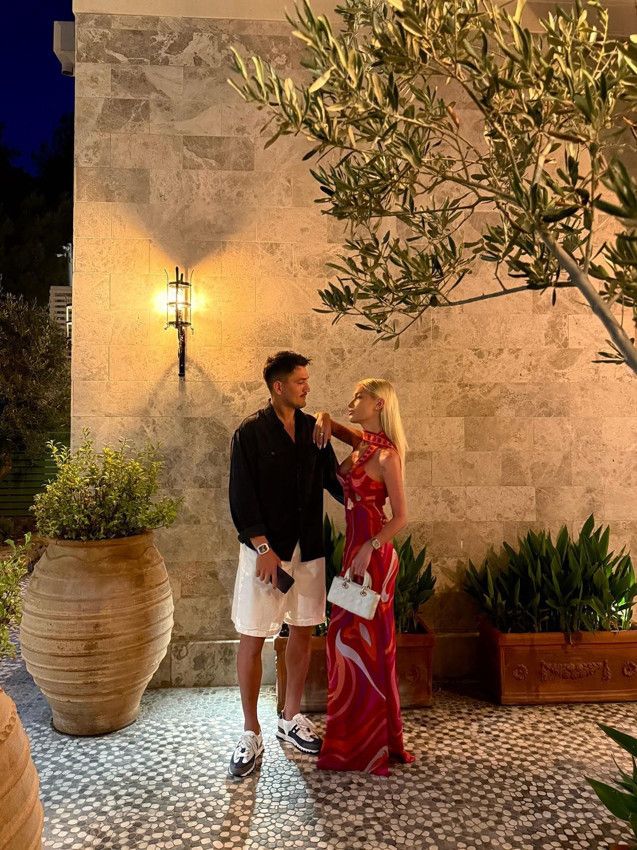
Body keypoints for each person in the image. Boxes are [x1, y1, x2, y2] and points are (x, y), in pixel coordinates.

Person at [227, 350, 343, 779]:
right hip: (266, 555)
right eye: (300, 381)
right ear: (279, 387)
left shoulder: (314, 430)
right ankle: (250, 730)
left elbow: (337, 482)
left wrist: (375, 464)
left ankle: (290, 717)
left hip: (308, 550)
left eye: (307, 381)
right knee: (253, 636)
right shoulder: (249, 433)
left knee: (303, 630)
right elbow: (241, 497)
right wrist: (262, 549)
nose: (307, 387)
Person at [314, 378, 414, 777]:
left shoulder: (387, 456)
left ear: (379, 404)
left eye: (359, 396)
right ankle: (353, 738)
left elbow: (402, 517)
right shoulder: (362, 445)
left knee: (366, 651)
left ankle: (369, 746)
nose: (352, 401)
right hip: (353, 555)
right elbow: (334, 427)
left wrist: (370, 547)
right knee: (343, 647)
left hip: (373, 558)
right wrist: (324, 417)